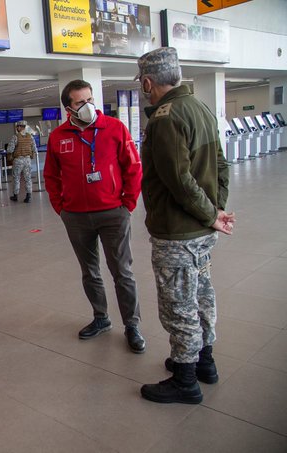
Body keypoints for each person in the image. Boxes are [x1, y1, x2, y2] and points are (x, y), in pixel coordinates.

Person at [136, 47, 234, 404]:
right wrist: (217, 211)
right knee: (202, 295)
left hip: (178, 232)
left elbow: (179, 182)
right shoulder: (201, 108)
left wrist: (209, 215)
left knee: (178, 303)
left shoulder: (164, 118)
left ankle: (185, 379)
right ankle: (203, 361)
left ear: (148, 82)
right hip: (203, 232)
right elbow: (221, 165)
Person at [44, 79, 145, 353]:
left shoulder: (114, 128)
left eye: (90, 100)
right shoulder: (58, 137)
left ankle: (132, 325)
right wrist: (61, 207)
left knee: (122, 272)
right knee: (89, 271)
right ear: (68, 108)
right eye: (80, 102)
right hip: (75, 216)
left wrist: (128, 204)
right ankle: (101, 318)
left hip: (114, 213)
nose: (87, 106)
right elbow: (51, 176)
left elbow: (133, 167)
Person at [7, 120, 37, 203]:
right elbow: (34, 149)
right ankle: (29, 196)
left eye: (17, 126)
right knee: (28, 178)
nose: (17, 128)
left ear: (20, 127)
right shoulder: (30, 136)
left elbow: (10, 149)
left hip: (18, 160)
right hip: (27, 160)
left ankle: (15, 196)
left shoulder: (15, 137)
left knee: (16, 178)